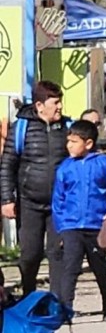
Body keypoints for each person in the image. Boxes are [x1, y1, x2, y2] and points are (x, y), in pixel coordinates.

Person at [0, 81, 71, 296]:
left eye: (60, 102)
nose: (59, 107)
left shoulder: (67, 128)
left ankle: (58, 301)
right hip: (28, 202)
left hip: (60, 204)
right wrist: (6, 200)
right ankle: (28, 295)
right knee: (30, 254)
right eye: (55, 102)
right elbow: (7, 165)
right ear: (40, 106)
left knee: (58, 252)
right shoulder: (21, 128)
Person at [50, 120, 106, 320]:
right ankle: (66, 309)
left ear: (89, 143)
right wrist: (60, 228)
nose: (69, 146)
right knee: (70, 268)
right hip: (71, 226)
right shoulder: (64, 168)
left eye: (74, 142)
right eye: (68, 141)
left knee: (99, 267)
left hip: (96, 226)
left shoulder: (104, 164)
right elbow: (58, 200)